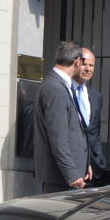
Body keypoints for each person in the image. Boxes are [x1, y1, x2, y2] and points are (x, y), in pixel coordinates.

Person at [33, 41, 90, 193]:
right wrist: (71, 173)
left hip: (68, 176)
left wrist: (84, 164)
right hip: (61, 178)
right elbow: (58, 137)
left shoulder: (61, 85)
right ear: (77, 62)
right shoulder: (55, 88)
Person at [77, 47, 110, 187]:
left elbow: (95, 131)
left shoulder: (96, 96)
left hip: (93, 170)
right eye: (84, 64)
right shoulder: (65, 92)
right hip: (71, 169)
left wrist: (97, 159)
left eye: (91, 65)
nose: (88, 69)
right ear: (76, 63)